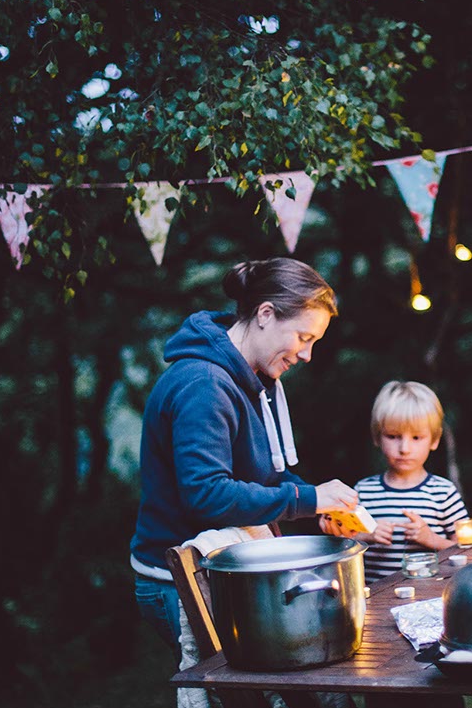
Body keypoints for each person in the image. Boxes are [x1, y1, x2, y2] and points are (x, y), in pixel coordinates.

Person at [130, 257, 358, 660]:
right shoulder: (204, 385)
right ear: (265, 314)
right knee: (252, 701)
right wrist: (308, 500)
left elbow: (262, 476)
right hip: (175, 581)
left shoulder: (251, 379)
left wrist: (318, 504)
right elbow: (207, 495)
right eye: (304, 337)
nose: (307, 355)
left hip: (219, 569)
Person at [338, 380, 467, 583]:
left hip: (432, 599)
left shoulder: (443, 492)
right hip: (376, 604)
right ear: (377, 437)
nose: (405, 448)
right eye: (393, 436)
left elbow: (466, 552)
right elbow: (341, 548)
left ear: (434, 440)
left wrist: (430, 539)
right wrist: (365, 536)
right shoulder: (363, 492)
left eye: (417, 437)